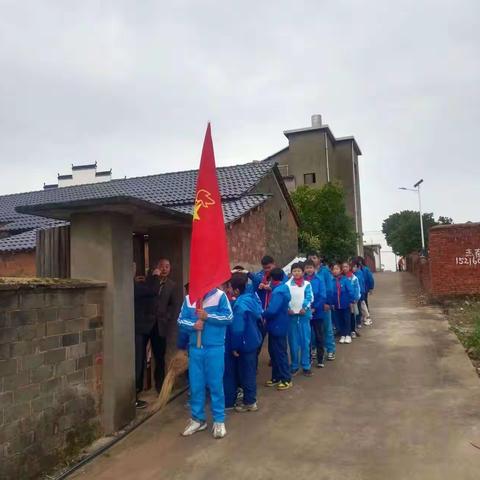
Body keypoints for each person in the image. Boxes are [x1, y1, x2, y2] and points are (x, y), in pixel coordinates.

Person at [177, 286, 233, 439]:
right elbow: (181, 320)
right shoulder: (189, 299)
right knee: (196, 385)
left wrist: (208, 316)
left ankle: (219, 420)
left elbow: (228, 317)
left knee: (215, 385)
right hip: (195, 349)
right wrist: (193, 325)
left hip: (214, 348)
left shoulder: (220, 296)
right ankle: (197, 419)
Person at [229, 273, 263, 412]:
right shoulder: (250, 297)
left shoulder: (240, 305)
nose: (229, 290)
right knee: (250, 370)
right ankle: (250, 399)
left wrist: (235, 346)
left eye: (230, 288)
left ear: (236, 290)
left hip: (244, 343)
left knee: (246, 373)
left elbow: (237, 329)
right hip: (253, 339)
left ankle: (250, 402)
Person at [146, 258, 180, 393]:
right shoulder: (149, 281)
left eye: (167, 266)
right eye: (162, 266)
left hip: (160, 325)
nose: (165, 269)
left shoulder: (172, 285)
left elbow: (174, 305)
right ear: (157, 267)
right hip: (146, 323)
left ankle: (160, 386)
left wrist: (166, 317)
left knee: (159, 356)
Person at [133, 263, 161, 409]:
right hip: (138, 329)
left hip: (140, 328)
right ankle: (134, 396)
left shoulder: (135, 285)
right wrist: (155, 277)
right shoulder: (135, 287)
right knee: (137, 362)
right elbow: (153, 290)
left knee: (140, 360)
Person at [263, 267, 293, 391]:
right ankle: (276, 377)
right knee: (273, 352)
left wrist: (262, 313)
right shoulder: (281, 288)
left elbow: (272, 310)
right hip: (276, 325)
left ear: (272, 279)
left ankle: (286, 378)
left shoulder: (278, 292)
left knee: (280, 352)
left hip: (277, 325)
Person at [286, 262, 314, 376]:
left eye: (299, 271)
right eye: (294, 271)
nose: (296, 273)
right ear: (291, 272)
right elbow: (285, 297)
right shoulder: (287, 285)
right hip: (292, 317)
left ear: (303, 272)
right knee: (293, 343)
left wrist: (305, 307)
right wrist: (288, 308)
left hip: (303, 316)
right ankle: (294, 365)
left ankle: (306, 366)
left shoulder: (307, 284)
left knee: (305, 342)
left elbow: (310, 297)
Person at [304, 259, 327, 368]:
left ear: (314, 268)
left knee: (319, 336)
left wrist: (315, 308)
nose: (309, 270)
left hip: (317, 313)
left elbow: (322, 296)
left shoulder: (319, 280)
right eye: (307, 268)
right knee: (307, 337)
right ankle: (308, 358)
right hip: (305, 313)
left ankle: (320, 358)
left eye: (310, 268)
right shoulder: (301, 280)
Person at [329, 263, 355, 344]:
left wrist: (351, 301)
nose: (335, 271)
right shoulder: (331, 281)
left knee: (346, 319)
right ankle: (343, 335)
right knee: (339, 320)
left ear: (340, 270)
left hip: (345, 304)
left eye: (337, 269)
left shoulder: (345, 279)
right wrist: (331, 303)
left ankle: (348, 335)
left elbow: (350, 290)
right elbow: (330, 293)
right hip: (336, 305)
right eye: (334, 269)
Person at [318, 257, 336, 361]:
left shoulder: (325, 272)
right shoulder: (306, 272)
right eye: (310, 257)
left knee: (327, 328)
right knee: (314, 330)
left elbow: (330, 288)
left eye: (315, 257)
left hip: (324, 305)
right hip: (313, 307)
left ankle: (330, 350)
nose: (312, 259)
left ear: (319, 260)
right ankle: (315, 349)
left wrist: (328, 303)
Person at [342, 262, 361, 339]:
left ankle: (353, 330)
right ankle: (345, 331)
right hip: (343, 301)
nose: (344, 268)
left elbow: (357, 289)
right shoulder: (341, 277)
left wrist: (355, 299)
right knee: (344, 317)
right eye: (343, 267)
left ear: (349, 267)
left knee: (352, 315)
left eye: (346, 267)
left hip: (352, 301)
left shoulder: (354, 278)